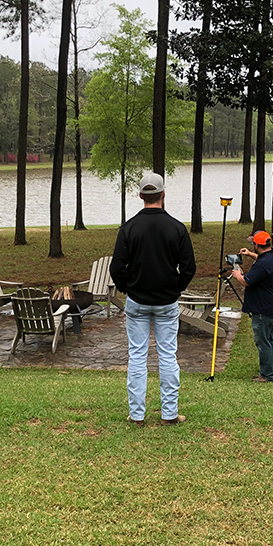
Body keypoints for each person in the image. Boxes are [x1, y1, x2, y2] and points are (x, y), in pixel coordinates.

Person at [110, 172, 196, 427]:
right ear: (163, 194)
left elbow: (117, 268)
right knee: (168, 355)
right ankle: (169, 413)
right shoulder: (177, 228)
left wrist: (129, 289)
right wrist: (174, 289)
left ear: (140, 196)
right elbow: (189, 268)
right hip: (166, 302)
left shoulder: (129, 228)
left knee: (137, 356)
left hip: (137, 300)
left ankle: (137, 415)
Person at [230, 230, 273, 383]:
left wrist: (237, 275)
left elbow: (246, 281)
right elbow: (263, 261)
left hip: (262, 308)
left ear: (257, 245)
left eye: (252, 244)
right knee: (269, 338)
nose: (251, 245)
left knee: (263, 341)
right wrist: (249, 255)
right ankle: (270, 371)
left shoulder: (262, 265)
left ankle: (267, 375)